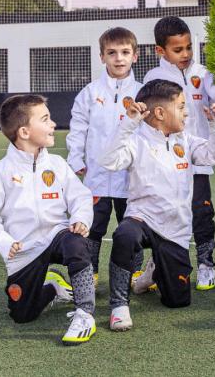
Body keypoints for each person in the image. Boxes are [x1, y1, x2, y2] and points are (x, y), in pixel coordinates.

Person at [101, 79, 215, 331]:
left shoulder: (186, 140)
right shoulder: (137, 141)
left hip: (175, 231)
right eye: (181, 106)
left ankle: (153, 271)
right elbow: (109, 160)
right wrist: (128, 123)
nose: (186, 112)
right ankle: (119, 305)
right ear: (160, 113)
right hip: (143, 219)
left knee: (177, 301)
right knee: (124, 235)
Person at [0, 94, 96, 345]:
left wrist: (81, 218)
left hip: (56, 236)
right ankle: (53, 288)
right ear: (25, 132)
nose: (53, 124)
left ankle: (85, 313)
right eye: (46, 119)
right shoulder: (2, 171)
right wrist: (5, 242)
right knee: (22, 315)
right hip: (24, 249)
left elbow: (81, 197)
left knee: (76, 243)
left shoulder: (58, 165)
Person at [138, 16, 215, 292]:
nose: (186, 54)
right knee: (167, 214)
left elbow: (214, 90)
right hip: (167, 162)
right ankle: (158, 264)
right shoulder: (154, 78)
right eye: (178, 49)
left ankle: (206, 263)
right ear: (160, 51)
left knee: (202, 213)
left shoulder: (203, 72)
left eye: (189, 47)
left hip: (198, 158)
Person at [66, 27, 143, 287]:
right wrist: (76, 161)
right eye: (112, 53)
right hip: (96, 176)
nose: (118, 58)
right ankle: (91, 272)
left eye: (124, 52)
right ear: (102, 57)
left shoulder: (143, 92)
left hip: (130, 176)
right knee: (93, 227)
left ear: (135, 56)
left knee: (130, 226)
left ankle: (134, 273)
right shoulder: (89, 93)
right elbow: (78, 130)